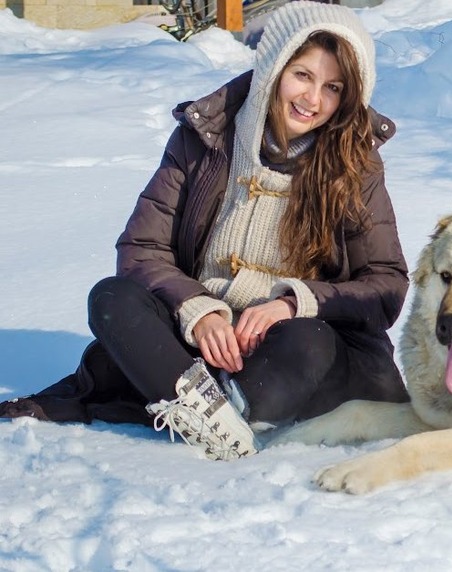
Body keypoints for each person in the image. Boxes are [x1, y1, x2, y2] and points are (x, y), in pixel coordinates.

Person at [0, 1, 410, 460]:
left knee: (307, 343)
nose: (312, 100)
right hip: (202, 345)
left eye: (332, 87)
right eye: (302, 76)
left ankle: (198, 399)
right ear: (273, 68)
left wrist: (293, 303)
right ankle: (213, 408)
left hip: (292, 348)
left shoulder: (355, 165)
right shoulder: (206, 138)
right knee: (111, 298)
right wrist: (198, 311)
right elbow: (142, 249)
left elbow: (386, 286)